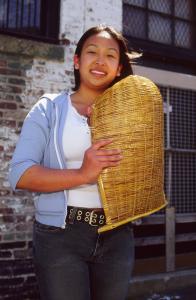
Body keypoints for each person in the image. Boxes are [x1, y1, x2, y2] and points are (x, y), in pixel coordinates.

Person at [9, 25, 135, 300]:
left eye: (111, 56)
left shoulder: (130, 118)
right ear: (77, 61)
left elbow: (141, 178)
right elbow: (20, 174)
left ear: (120, 68)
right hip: (60, 235)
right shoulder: (49, 108)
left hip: (117, 235)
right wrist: (83, 174)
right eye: (92, 52)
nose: (100, 61)